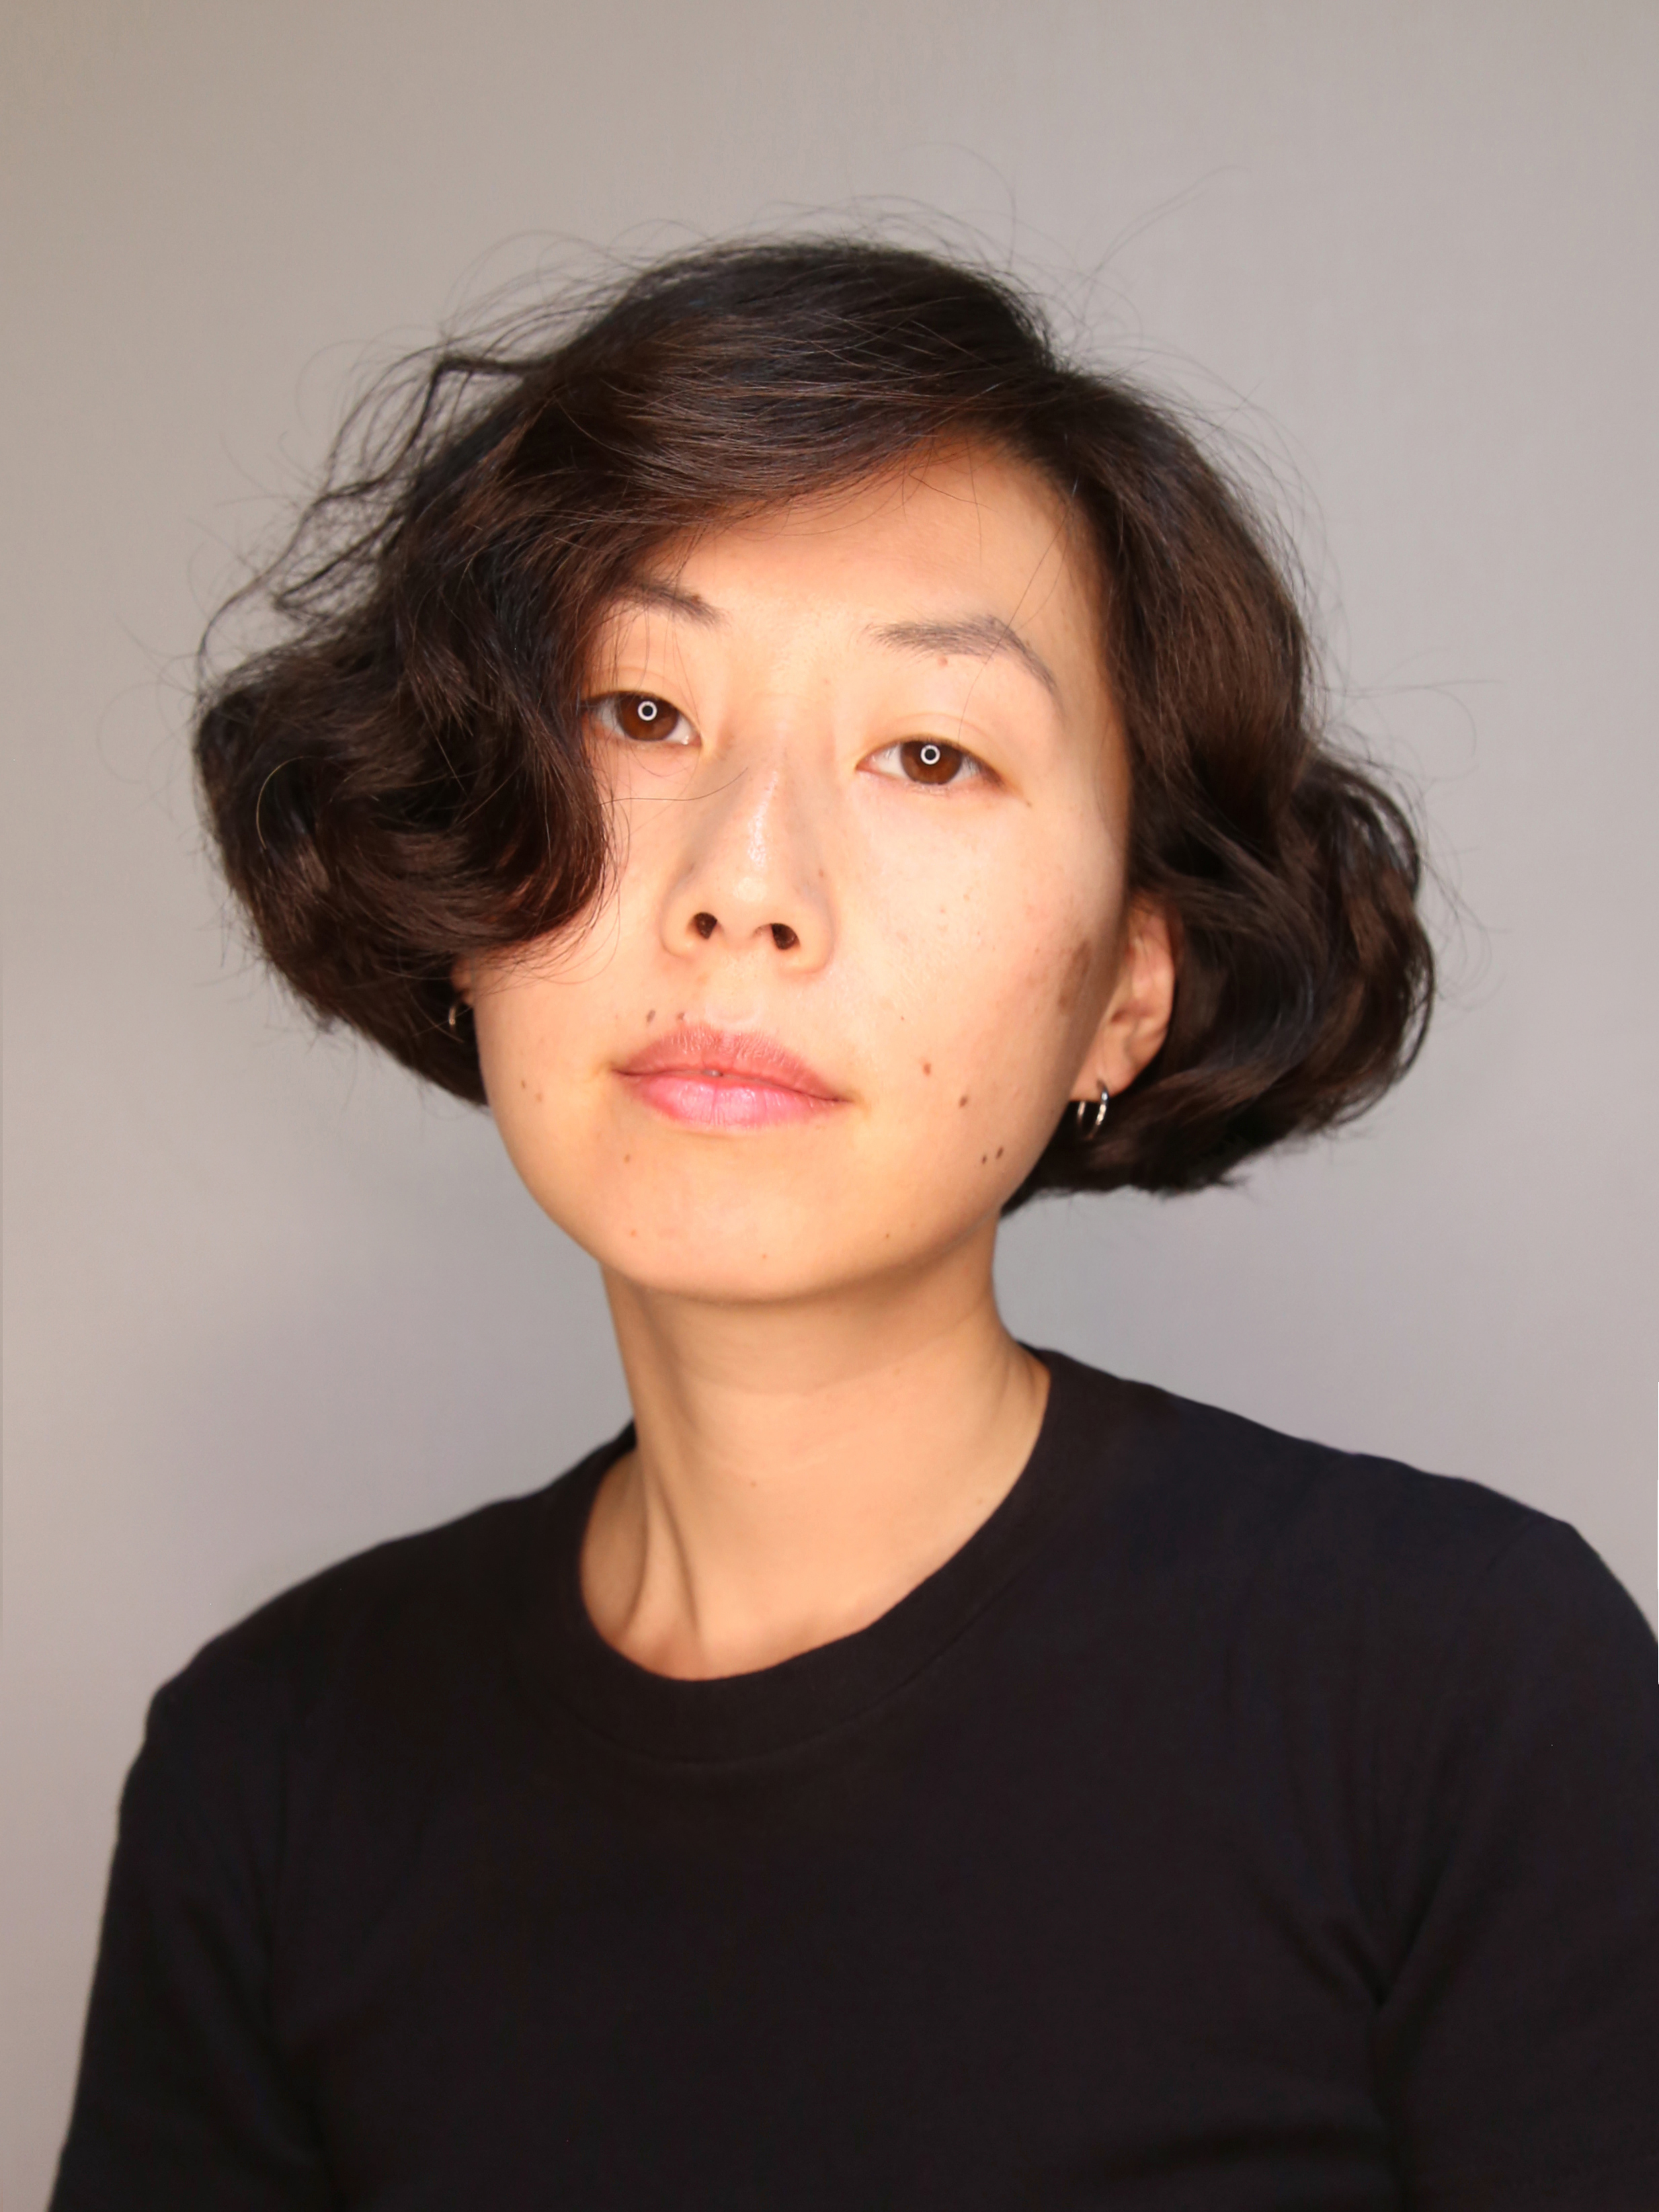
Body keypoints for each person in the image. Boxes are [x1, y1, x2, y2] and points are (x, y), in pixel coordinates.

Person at [51, 239, 1659, 2211]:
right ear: (473, 866)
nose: (744, 883)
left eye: (929, 752)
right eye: (640, 711)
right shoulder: (270, 1771)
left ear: (1125, 988)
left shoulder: (1460, 1691)